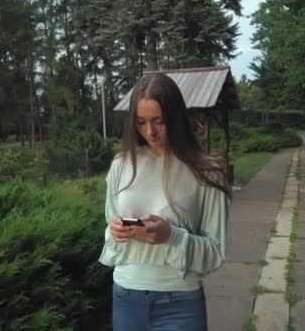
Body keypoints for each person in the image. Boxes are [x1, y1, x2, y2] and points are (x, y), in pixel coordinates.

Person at [98, 72, 231, 331]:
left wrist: (172, 236)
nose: (150, 131)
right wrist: (114, 231)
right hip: (127, 295)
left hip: (180, 301)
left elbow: (215, 253)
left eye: (159, 121)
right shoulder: (121, 165)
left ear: (176, 118)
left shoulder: (206, 173)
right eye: (141, 122)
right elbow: (109, 227)